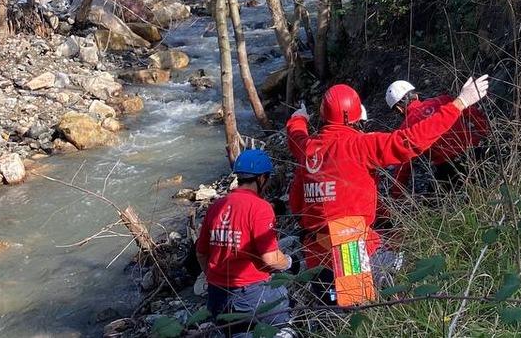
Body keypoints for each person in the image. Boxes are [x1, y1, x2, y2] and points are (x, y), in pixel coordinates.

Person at [287, 77, 490, 289]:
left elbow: (295, 136)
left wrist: (297, 118)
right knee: (357, 304)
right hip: (348, 244)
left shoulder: (307, 149)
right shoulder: (360, 145)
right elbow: (410, 141)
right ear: (356, 117)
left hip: (313, 249)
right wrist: (460, 103)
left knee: (329, 309)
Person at [196, 149, 292, 336]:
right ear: (262, 179)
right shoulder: (260, 208)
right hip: (252, 293)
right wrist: (288, 262)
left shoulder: (216, 207)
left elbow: (201, 253)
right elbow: (271, 259)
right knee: (283, 327)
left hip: (217, 296)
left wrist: (214, 277)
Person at [385, 80, 491, 194]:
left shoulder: (405, 129)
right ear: (415, 95)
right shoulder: (444, 100)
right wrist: (486, 137)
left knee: (431, 205)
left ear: (399, 109)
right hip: (478, 153)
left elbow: (403, 168)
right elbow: (475, 115)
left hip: (449, 169)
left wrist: (396, 194)